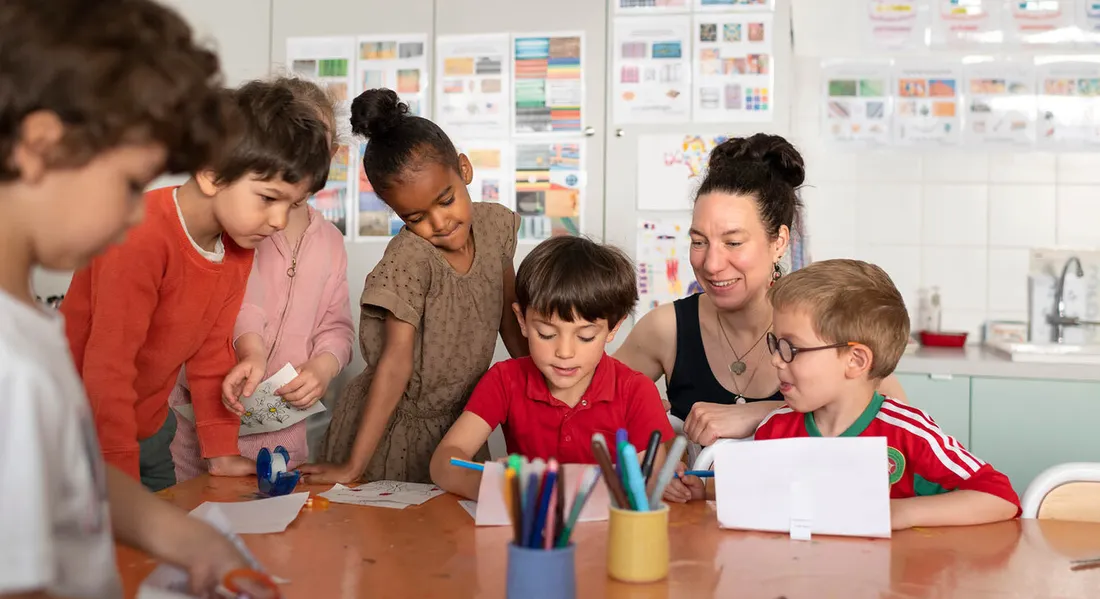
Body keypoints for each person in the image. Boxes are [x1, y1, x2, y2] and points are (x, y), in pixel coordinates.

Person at [0, 0, 254, 596]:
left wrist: (184, 538)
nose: (139, 211)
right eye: (131, 184)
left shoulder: (29, 332)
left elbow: (75, 480)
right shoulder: (9, 368)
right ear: (41, 148)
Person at [61, 78, 333, 491]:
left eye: (292, 205)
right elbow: (107, 367)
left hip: (148, 427)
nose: (279, 222)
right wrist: (117, 485)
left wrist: (221, 453)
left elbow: (210, 352)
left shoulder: (236, 246)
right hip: (78, 435)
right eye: (267, 198)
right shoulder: (140, 236)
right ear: (211, 173)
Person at [614, 134, 907, 499]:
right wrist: (653, 439)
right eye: (699, 241)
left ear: (779, 241)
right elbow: (596, 404)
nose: (711, 263)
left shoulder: (828, 321)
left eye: (733, 242)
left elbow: (895, 424)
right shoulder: (666, 329)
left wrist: (762, 414)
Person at [302, 89, 528, 485]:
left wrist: (548, 385)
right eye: (416, 216)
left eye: (446, 200)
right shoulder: (410, 260)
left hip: (460, 426)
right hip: (393, 430)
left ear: (464, 170)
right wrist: (354, 465)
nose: (439, 223)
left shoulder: (494, 229)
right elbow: (394, 364)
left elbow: (509, 319)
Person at [168, 78, 354, 481]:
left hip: (284, 434)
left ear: (332, 155)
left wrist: (323, 368)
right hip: (205, 428)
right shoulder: (240, 226)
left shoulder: (330, 242)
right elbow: (231, 310)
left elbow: (337, 327)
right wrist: (253, 352)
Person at [753, 259, 1019, 528]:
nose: (776, 359)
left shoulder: (910, 434)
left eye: (790, 347)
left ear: (855, 361)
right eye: (775, 343)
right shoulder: (774, 430)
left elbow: (1000, 496)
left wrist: (899, 513)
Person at [429, 236, 675, 500]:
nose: (565, 353)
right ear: (522, 320)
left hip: (610, 533)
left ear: (613, 328)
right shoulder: (505, 379)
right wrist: (488, 485)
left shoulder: (636, 391)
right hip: (529, 530)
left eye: (586, 337)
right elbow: (445, 460)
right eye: (546, 333)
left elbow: (651, 484)